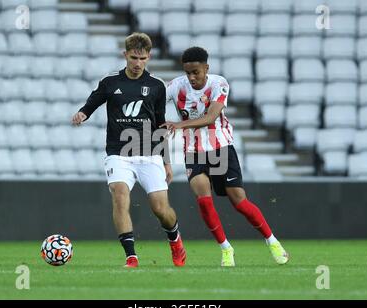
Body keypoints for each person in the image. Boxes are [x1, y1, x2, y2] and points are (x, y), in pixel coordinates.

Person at [162, 46, 289, 267]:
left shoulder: (219, 83)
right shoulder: (175, 87)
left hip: (221, 148)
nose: (191, 77)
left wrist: (179, 125)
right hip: (193, 151)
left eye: (196, 72)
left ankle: (272, 241)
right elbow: (154, 101)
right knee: (203, 200)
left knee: (238, 201)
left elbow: (211, 117)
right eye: (188, 73)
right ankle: (226, 249)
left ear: (206, 68)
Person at [72, 32, 186, 268]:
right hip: (118, 154)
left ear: (149, 57)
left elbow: (160, 125)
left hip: (149, 153)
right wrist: (82, 114)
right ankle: (131, 257)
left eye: (142, 58)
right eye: (133, 57)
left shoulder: (156, 86)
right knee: (120, 195)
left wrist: (166, 161)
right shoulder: (110, 82)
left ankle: (175, 239)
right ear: (125, 55)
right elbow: (91, 104)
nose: (137, 63)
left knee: (160, 209)